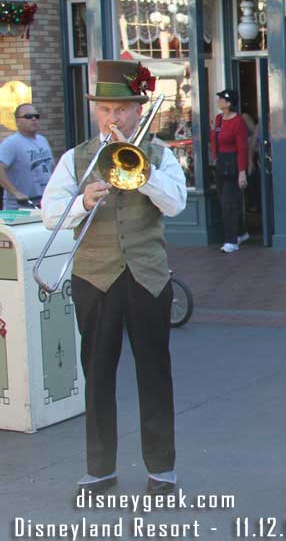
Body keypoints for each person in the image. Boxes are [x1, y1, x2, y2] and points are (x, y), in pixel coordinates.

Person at [41, 60, 187, 498]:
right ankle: (99, 469)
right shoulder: (75, 158)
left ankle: (162, 469)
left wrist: (142, 175)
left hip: (146, 276)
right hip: (94, 277)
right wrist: (84, 199)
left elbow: (176, 204)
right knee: (98, 373)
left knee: (155, 373)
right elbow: (50, 215)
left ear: (138, 112)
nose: (113, 119)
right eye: (105, 109)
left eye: (122, 109)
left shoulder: (160, 155)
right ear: (95, 112)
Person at [210, 90, 249, 252]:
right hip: (221, 163)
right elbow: (214, 140)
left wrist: (242, 171)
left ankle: (231, 241)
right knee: (224, 200)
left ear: (229, 103)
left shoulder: (238, 121)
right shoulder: (219, 119)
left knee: (228, 203)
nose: (219, 101)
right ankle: (241, 232)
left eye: (222, 99)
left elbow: (242, 147)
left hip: (233, 163)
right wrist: (215, 157)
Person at [0, 102, 53, 208]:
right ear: (17, 121)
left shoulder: (43, 140)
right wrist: (15, 192)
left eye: (36, 116)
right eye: (28, 116)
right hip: (20, 207)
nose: (34, 119)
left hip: (44, 203)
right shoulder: (11, 143)